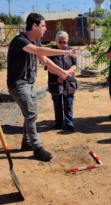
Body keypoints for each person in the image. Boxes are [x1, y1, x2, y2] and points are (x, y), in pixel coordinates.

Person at [7, 13, 76, 162]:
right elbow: (39, 52)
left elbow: (45, 60)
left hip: (29, 83)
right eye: (43, 25)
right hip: (18, 84)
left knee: (32, 115)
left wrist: (62, 72)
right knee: (31, 115)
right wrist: (64, 51)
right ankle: (37, 149)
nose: (45, 29)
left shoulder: (34, 42)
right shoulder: (20, 40)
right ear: (34, 26)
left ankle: (26, 143)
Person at [45, 31, 77, 131]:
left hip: (68, 81)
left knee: (68, 103)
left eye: (65, 42)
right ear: (56, 41)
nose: (63, 44)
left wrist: (65, 74)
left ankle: (69, 123)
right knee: (57, 103)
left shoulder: (71, 51)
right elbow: (49, 68)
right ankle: (58, 122)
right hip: (55, 82)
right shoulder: (51, 52)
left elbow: (74, 65)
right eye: (60, 42)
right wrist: (59, 74)